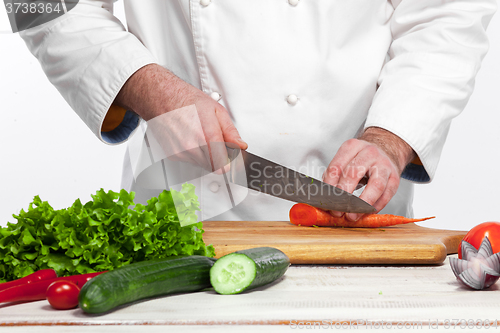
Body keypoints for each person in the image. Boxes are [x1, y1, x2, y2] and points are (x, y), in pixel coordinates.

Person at [19, 0, 497, 222]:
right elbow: (39, 4)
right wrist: (150, 87)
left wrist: (390, 137)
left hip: (356, 210)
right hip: (190, 209)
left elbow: (451, 11)